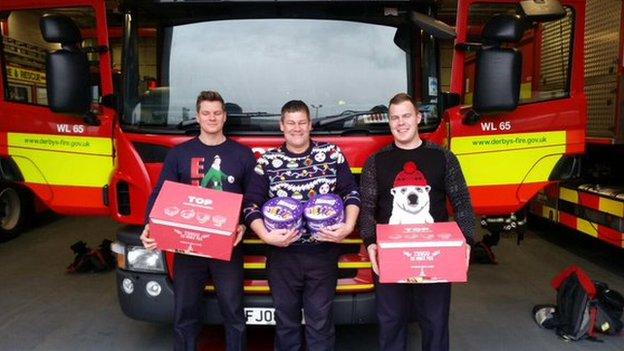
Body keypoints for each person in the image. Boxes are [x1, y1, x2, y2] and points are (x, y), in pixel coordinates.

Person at [358, 93, 476, 351]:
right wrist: (370, 243)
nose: (401, 123)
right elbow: (366, 209)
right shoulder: (376, 162)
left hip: (435, 255)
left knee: (435, 323)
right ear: (389, 123)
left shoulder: (443, 158)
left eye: (406, 116)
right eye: (395, 118)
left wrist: (467, 240)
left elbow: (462, 202)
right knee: (391, 323)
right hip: (390, 257)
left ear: (418, 118)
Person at [140, 91, 254, 351]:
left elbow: (253, 198)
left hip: (228, 248)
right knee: (185, 313)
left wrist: (244, 225)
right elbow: (161, 193)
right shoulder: (179, 154)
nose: (212, 118)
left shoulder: (243, 155)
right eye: (206, 113)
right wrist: (150, 225)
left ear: (224, 117)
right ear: (197, 117)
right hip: (188, 247)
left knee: (233, 312)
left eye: (217, 113)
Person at [243, 100, 360, 350]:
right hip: (282, 256)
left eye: (302, 123)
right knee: (286, 324)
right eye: (291, 123)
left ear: (310, 125)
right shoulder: (267, 162)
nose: (297, 128)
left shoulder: (332, 154)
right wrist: (266, 236)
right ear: (282, 126)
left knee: (320, 324)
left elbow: (351, 192)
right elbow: (250, 205)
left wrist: (348, 226)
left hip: (323, 254)